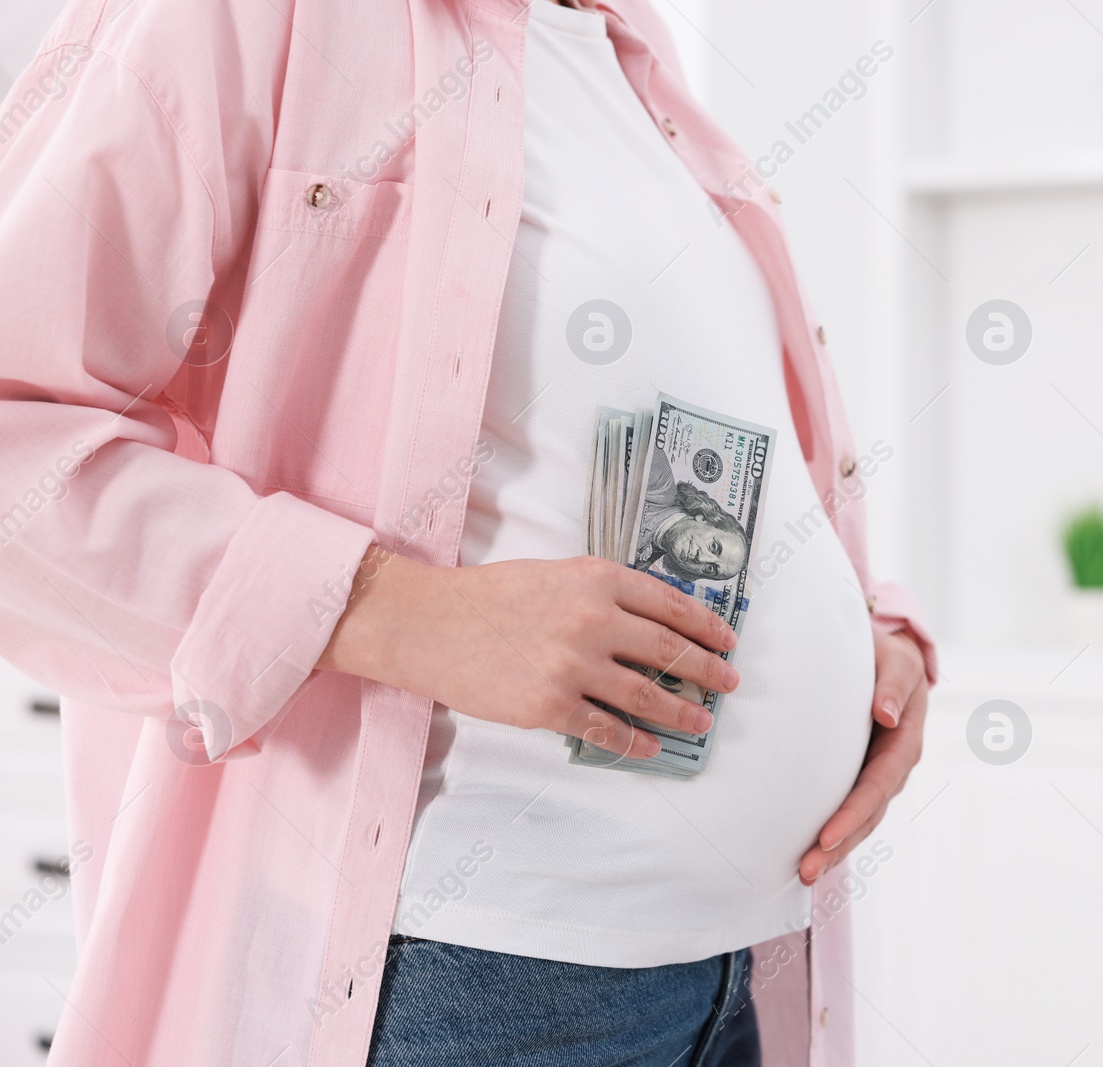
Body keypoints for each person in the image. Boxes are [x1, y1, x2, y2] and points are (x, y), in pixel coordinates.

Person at [0, 0, 936, 1063]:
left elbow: (695, 420)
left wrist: (869, 644)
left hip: (748, 966)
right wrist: (393, 608)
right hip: (470, 974)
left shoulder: (637, 57)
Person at [633, 447, 751, 582]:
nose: (701, 558)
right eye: (713, 547)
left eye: (710, 569)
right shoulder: (658, 480)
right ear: (704, 518)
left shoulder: (637, 572)